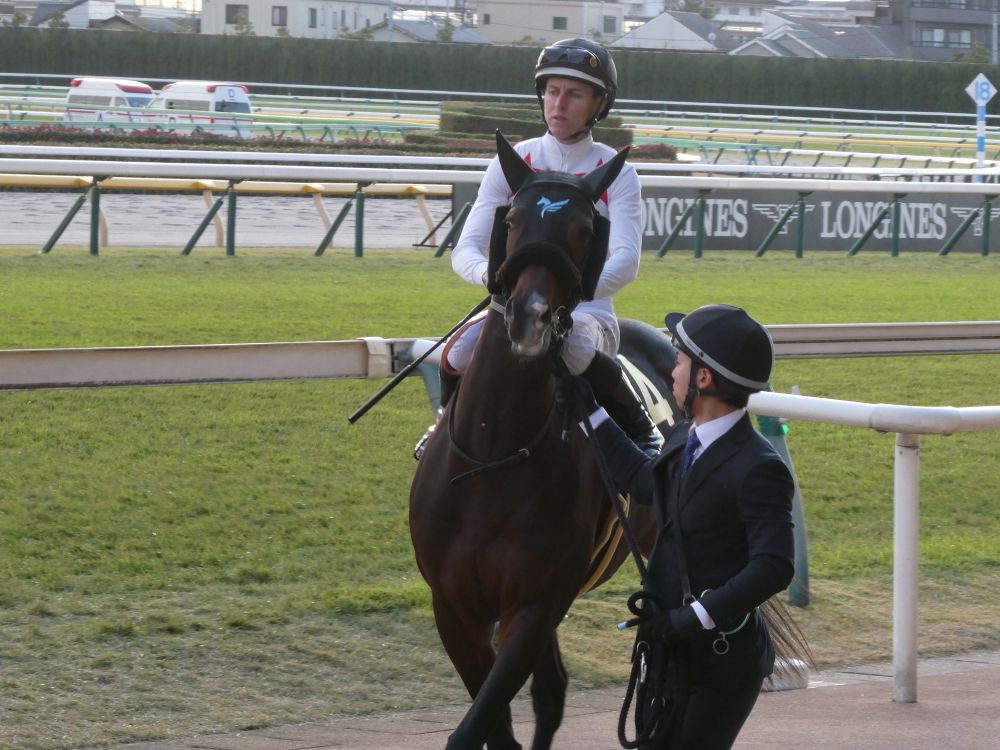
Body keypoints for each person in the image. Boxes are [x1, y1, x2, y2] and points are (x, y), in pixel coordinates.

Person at [415, 37, 662, 460]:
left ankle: (643, 431)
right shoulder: (513, 161)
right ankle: (444, 423)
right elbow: (466, 249)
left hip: (587, 312)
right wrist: (492, 279)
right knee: (458, 351)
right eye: (552, 91)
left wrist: (569, 295)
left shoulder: (618, 174)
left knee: (575, 344)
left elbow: (626, 262)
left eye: (574, 94)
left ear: (600, 104)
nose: (558, 104)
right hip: (512, 304)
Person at [563, 304, 795, 750]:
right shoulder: (684, 436)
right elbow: (644, 482)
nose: (672, 370)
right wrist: (588, 411)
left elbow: (774, 566)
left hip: (722, 665)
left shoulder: (759, 467)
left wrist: (695, 617)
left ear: (704, 378)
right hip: (668, 649)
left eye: (680, 360)